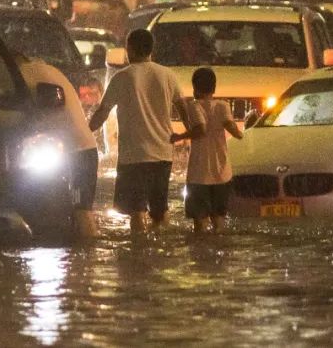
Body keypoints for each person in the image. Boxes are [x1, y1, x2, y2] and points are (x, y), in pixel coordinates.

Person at [89, 29, 187, 235]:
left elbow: (103, 112)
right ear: (151, 49)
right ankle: (162, 251)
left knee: (136, 212)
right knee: (160, 212)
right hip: (163, 154)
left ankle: (139, 253)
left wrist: (84, 132)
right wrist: (192, 133)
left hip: (134, 157)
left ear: (130, 49)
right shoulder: (168, 75)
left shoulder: (122, 77)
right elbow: (183, 109)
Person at [19, 57, 100, 239]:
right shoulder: (45, 69)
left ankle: (87, 255)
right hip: (76, 150)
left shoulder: (24, 74)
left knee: (81, 211)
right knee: (76, 211)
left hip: (77, 151)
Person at [171, 67, 243, 234]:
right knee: (219, 221)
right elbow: (236, 133)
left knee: (199, 224)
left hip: (199, 175)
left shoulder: (194, 106)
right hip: (222, 173)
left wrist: (179, 136)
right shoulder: (223, 106)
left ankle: (202, 257)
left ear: (195, 88)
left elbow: (201, 129)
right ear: (214, 88)